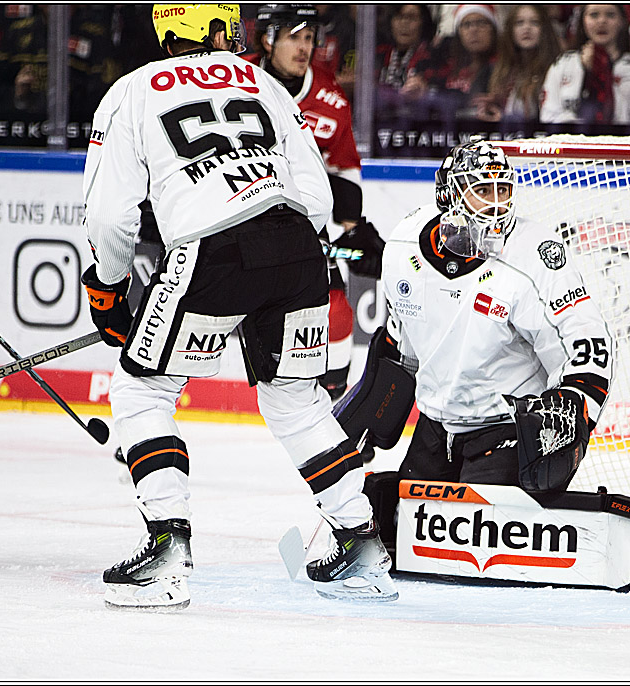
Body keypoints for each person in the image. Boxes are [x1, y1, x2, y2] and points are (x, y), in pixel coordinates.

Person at [82, 4, 396, 609]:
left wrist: (108, 288)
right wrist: (283, 263)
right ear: (221, 31)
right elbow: (314, 190)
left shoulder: (130, 91)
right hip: (297, 247)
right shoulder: (263, 83)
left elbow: (109, 214)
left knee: (142, 391)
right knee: (296, 403)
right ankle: (359, 542)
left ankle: (167, 550)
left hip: (213, 249)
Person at [357, 138, 630, 592]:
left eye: (504, 191)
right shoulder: (403, 244)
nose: (498, 205)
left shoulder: (534, 255)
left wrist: (570, 413)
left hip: (505, 428)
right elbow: (398, 340)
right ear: (449, 194)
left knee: (488, 557)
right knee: (405, 545)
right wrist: (374, 411)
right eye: (483, 191)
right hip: (436, 427)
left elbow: (588, 339)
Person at [249, 4, 386, 400]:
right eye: (294, 36)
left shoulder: (329, 96)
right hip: (235, 214)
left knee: (336, 305)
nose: (304, 46)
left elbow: (341, 166)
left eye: (310, 38)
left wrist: (352, 226)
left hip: (300, 220)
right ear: (268, 38)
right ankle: (146, 414)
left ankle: (336, 399)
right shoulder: (237, 80)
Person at [539, 4, 630, 126]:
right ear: (583, 21)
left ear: (621, 21)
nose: (602, 21)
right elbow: (548, 115)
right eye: (594, 15)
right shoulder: (563, 64)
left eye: (610, 15)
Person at [407, 4, 499, 122]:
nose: (474, 30)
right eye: (466, 24)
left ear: (493, 29)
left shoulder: (504, 67)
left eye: (481, 22)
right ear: (458, 32)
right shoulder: (441, 63)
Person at [476, 5, 562, 123]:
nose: (526, 28)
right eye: (519, 23)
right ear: (510, 29)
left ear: (544, 29)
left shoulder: (556, 69)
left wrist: (504, 120)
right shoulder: (498, 70)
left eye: (535, 22)